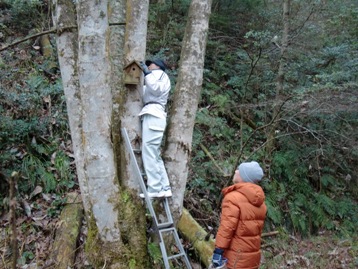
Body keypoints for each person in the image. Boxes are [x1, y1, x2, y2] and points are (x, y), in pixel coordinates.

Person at [211, 161, 267, 269]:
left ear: (244, 177)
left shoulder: (232, 198)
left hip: (235, 258)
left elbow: (227, 228)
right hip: (252, 259)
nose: (235, 171)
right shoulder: (261, 202)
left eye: (239, 170)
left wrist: (218, 251)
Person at [138, 59, 172, 198]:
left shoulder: (159, 74)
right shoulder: (155, 76)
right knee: (154, 153)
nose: (148, 66)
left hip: (154, 113)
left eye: (150, 64)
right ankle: (164, 187)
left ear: (157, 66)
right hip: (153, 113)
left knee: (149, 151)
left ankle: (155, 188)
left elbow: (156, 89)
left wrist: (147, 73)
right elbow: (148, 90)